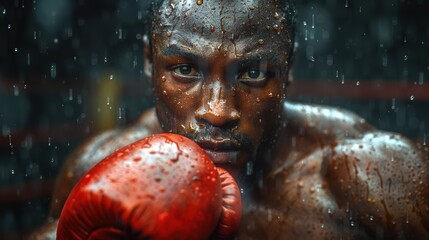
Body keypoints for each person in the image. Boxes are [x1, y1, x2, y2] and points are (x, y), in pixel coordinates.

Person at [30, 0, 429, 239]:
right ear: (150, 61)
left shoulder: (369, 177)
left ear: (287, 69)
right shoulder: (98, 168)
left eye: (253, 73)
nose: (218, 112)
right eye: (185, 69)